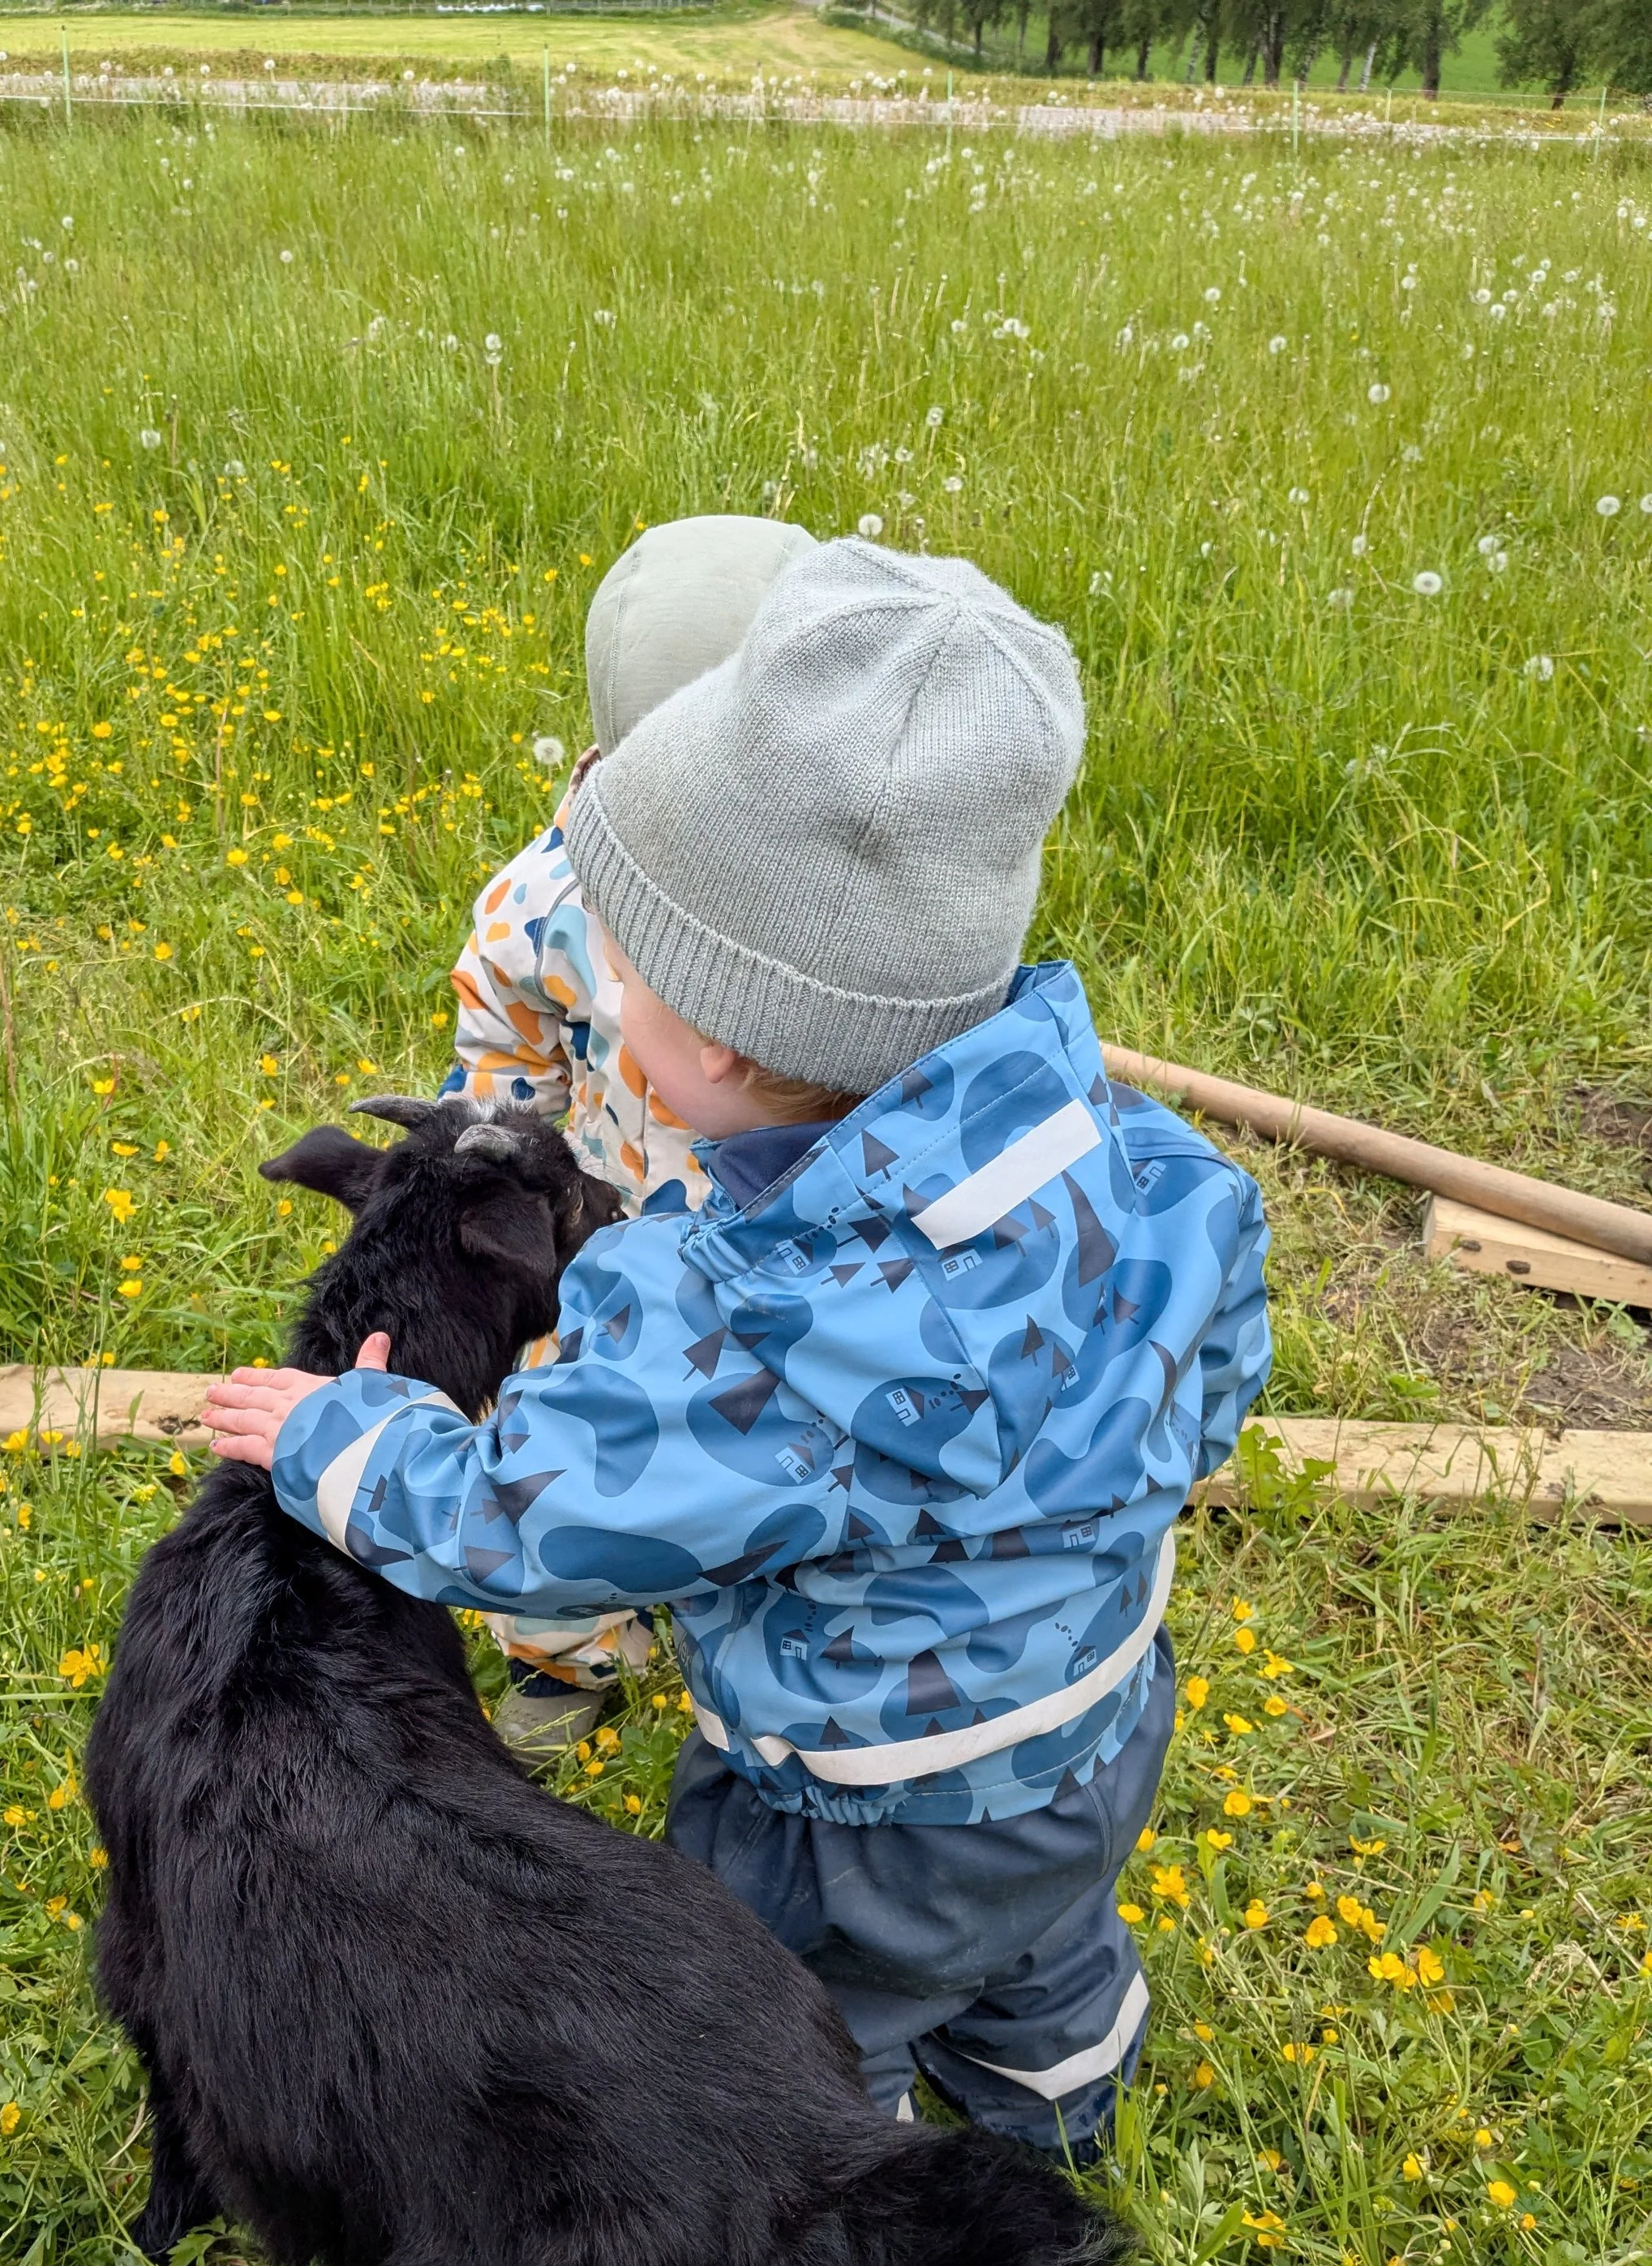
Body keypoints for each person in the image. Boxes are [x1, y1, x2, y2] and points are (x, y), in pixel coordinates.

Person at [207, 538, 1272, 2157]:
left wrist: (339, 1444)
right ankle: (1054, 2115)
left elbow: (534, 1529)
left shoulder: (727, 1315)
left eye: (615, 972)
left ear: (705, 1040)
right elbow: (1207, 1390)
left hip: (853, 1811)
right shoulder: (1155, 1160)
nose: (593, 1002)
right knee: (1043, 1946)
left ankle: (838, 2197)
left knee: (782, 2026)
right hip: (1096, 1725)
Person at [444, 512, 817, 1763]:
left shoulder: (836, 891)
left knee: (781, 1430)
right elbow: (502, 1059)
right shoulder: (546, 902)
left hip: (792, 1230)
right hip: (609, 1231)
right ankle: (568, 1645)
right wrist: (519, 1181)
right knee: (559, 1427)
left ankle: (752, 1612)